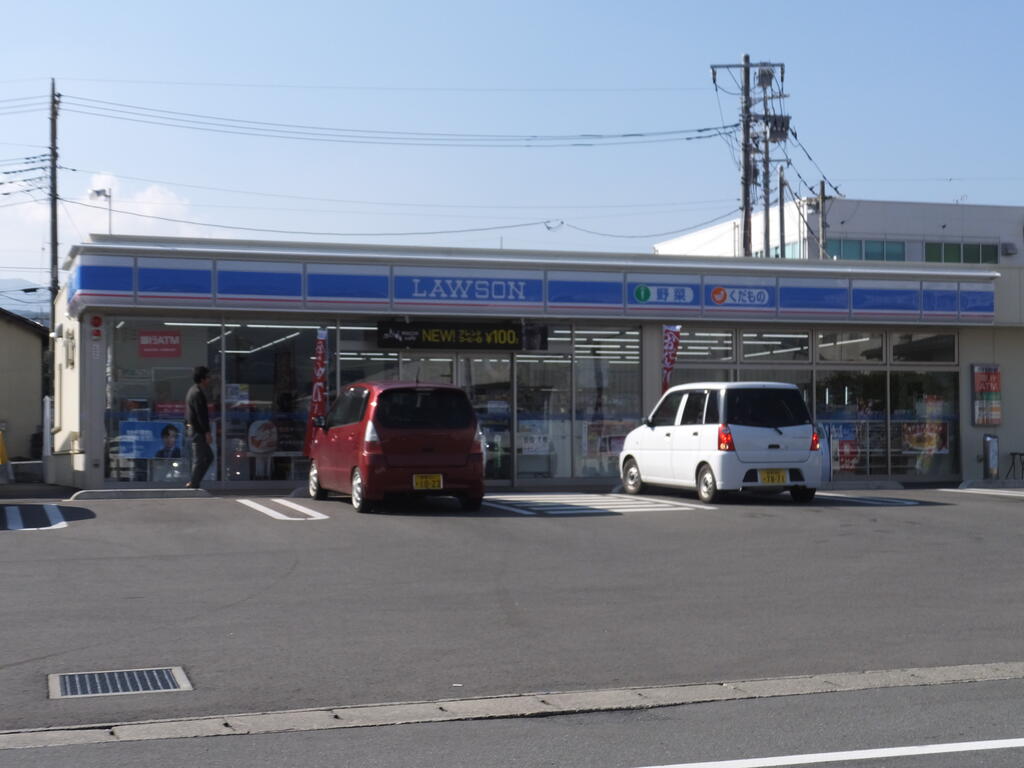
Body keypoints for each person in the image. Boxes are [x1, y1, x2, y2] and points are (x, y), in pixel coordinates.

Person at [185, 366, 213, 489]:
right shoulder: (197, 393)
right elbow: (201, 415)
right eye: (208, 377)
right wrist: (207, 432)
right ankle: (193, 483)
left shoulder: (193, 391)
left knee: (208, 457)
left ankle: (195, 481)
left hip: (196, 430)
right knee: (200, 458)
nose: (209, 380)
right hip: (198, 431)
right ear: (202, 379)